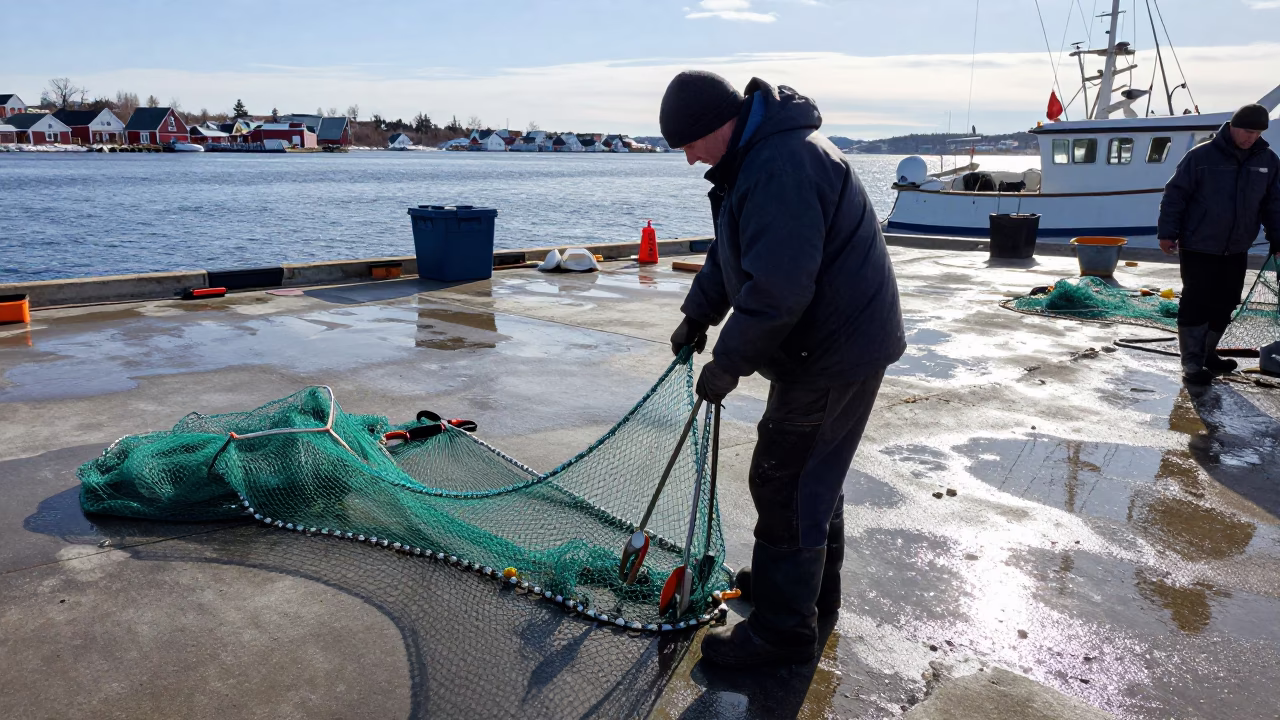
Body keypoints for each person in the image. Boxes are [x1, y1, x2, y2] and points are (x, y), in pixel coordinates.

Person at [659, 70, 905, 667]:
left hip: (830, 351)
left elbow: (779, 287)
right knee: (812, 476)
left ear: (717, 126)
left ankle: (781, 635)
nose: (690, 160)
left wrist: (729, 362)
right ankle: (807, 596)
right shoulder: (758, 158)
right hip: (831, 344)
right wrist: (700, 314)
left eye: (689, 145)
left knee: (785, 479)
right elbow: (732, 248)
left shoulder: (780, 166)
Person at [1158, 103, 1280, 385]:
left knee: (1226, 301)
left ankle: (1208, 354)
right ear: (1234, 126)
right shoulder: (1201, 156)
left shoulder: (1268, 160)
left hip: (1237, 246)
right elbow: (1175, 195)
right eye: (1248, 131)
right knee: (1196, 301)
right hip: (1199, 244)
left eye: (1257, 132)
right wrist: (1167, 233)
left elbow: (1274, 204)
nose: (1251, 137)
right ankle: (1191, 362)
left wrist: (1277, 238)